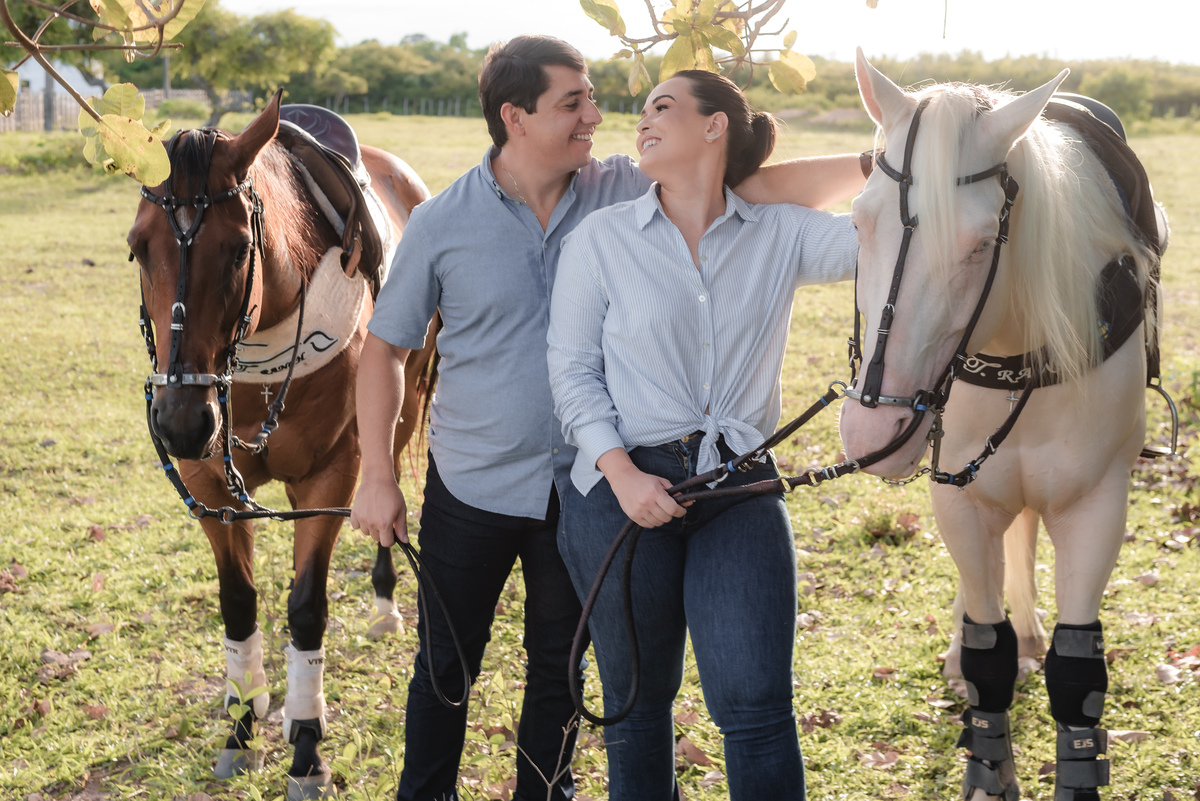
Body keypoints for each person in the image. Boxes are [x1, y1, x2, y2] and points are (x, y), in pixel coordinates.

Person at [350, 35, 864, 801]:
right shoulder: (442, 221)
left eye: (593, 97)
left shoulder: (622, 186)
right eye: (573, 103)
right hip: (476, 481)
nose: (597, 114)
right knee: (445, 666)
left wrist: (884, 167)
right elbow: (385, 351)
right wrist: (378, 476)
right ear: (515, 117)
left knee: (561, 669)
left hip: (588, 486)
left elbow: (746, 186)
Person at [546, 70, 860, 800]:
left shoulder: (781, 233)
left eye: (664, 107)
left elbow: (893, 229)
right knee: (634, 706)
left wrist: (882, 162)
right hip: (620, 487)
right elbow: (570, 373)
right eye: (644, 109)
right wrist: (623, 475)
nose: (642, 120)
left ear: (715, 125)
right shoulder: (601, 240)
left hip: (739, 483)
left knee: (756, 708)